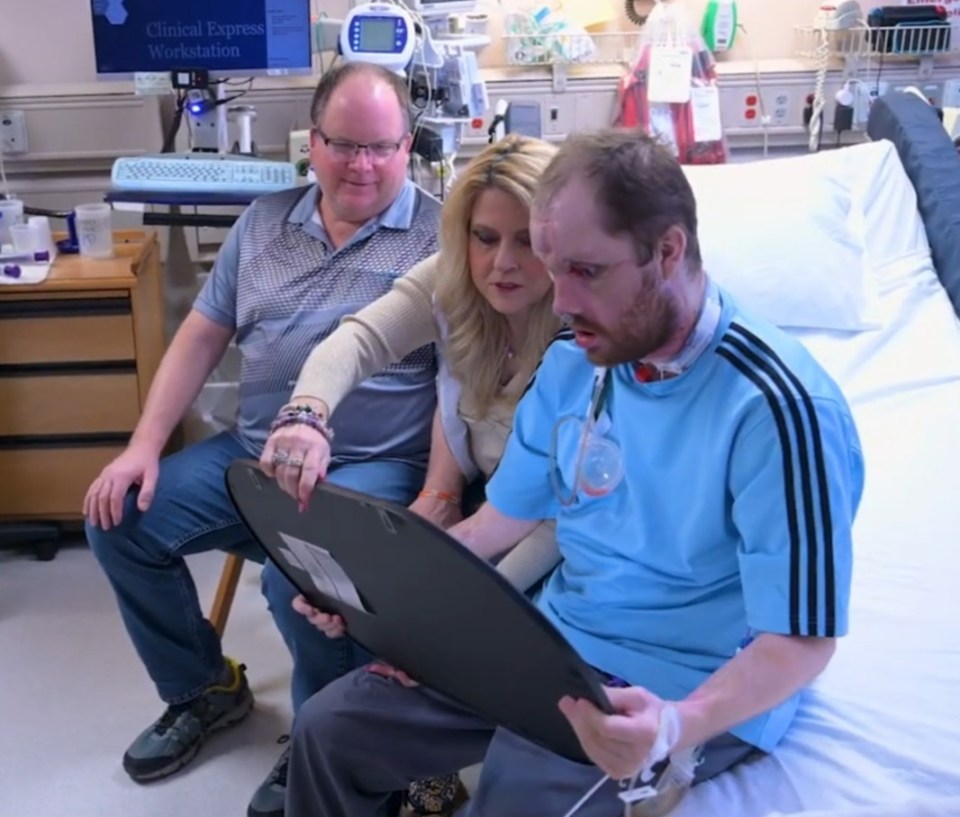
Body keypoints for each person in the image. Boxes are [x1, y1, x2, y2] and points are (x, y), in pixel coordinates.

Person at [281, 128, 866, 817]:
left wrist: (674, 725)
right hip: (553, 645)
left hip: (679, 679)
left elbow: (801, 637)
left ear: (668, 252)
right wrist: (381, 598)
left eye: (587, 271)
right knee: (329, 731)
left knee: (510, 794)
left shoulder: (777, 410)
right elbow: (495, 524)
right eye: (554, 269)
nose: (559, 301)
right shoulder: (573, 370)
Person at [82, 61, 441, 817]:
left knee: (302, 573)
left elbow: (461, 388)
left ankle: (326, 737)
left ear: (409, 145)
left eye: (382, 147)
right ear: (312, 143)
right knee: (117, 516)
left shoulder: (441, 241)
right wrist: (143, 444)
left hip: (369, 468)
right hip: (251, 456)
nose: (362, 165)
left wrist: (444, 491)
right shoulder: (263, 222)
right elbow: (201, 336)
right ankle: (202, 688)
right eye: (344, 144)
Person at [260, 134, 564, 815]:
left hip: (558, 528)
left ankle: (410, 737)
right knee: (310, 580)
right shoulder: (454, 280)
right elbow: (358, 339)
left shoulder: (580, 330)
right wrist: (306, 416)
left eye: (527, 241)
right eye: (484, 237)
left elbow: (558, 521)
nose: (503, 263)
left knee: (474, 657)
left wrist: (429, 627)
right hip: (486, 493)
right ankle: (372, 740)